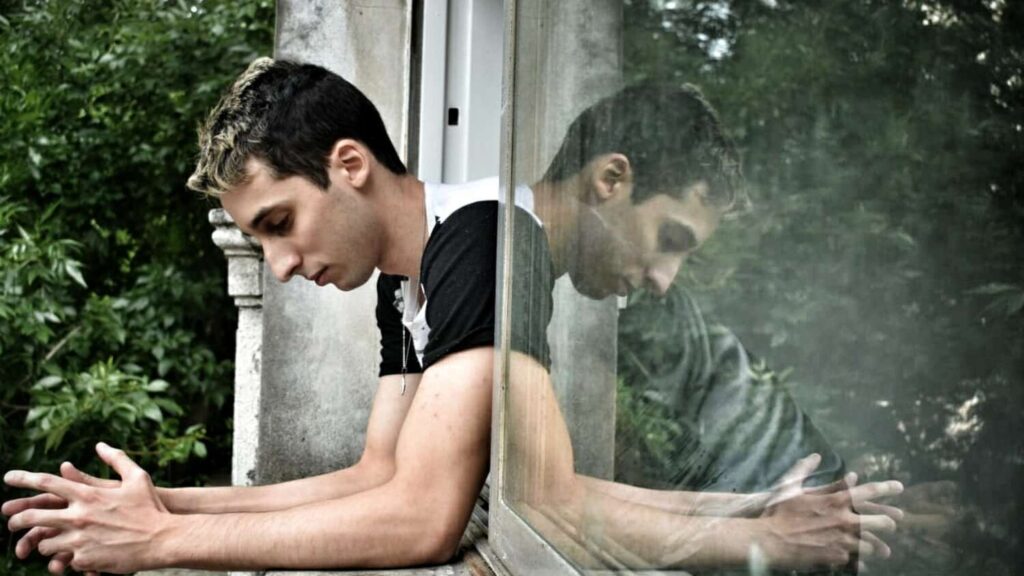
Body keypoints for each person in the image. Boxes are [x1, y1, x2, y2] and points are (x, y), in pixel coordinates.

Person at [3, 58, 901, 574]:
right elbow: (381, 478)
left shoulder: (486, 241)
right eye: (668, 239)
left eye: (279, 224)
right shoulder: (430, 263)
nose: (277, 263)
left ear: (349, 164)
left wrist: (162, 542)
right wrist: (166, 504)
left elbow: (432, 516)